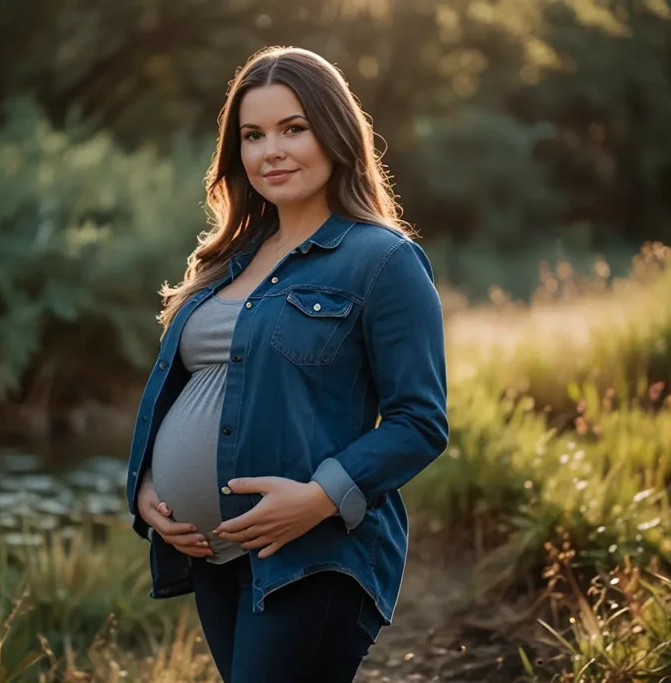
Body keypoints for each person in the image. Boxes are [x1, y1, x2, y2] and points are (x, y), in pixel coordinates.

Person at [125, 45, 449, 683]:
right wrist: (146, 488)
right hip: (215, 552)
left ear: (335, 133)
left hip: (313, 556)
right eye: (253, 135)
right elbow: (182, 386)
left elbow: (420, 422)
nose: (271, 150)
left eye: (293, 128)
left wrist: (321, 497)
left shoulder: (382, 261)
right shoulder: (227, 261)